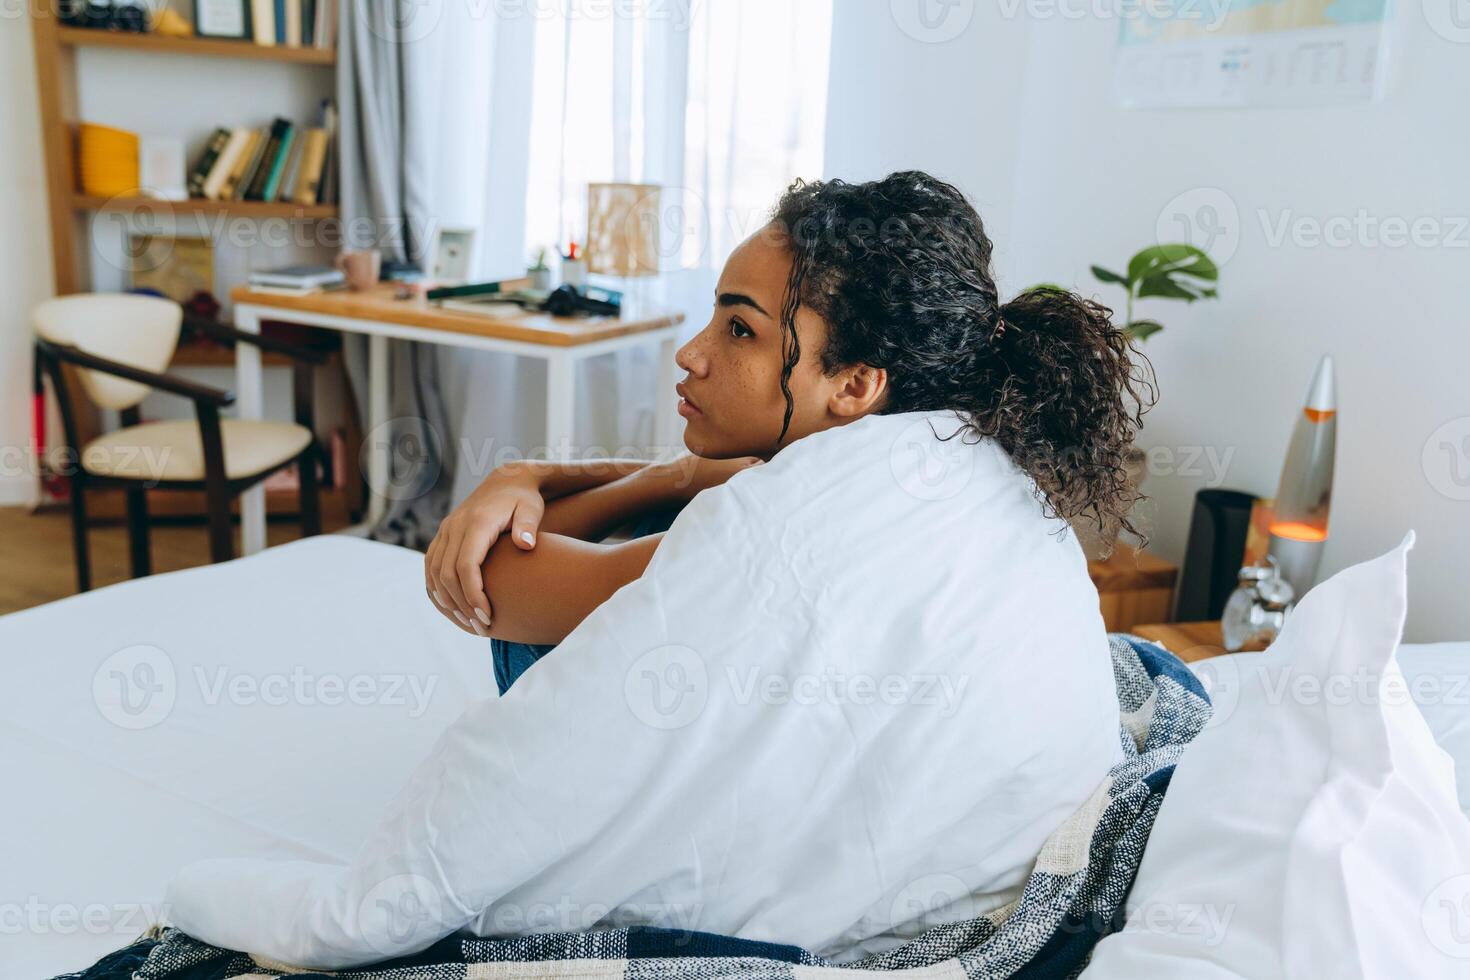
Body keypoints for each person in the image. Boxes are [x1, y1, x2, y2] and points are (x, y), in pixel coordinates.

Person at [424, 170, 1152, 672]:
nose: (690, 353)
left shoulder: (782, 529)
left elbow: (485, 578)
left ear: (855, 383)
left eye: (739, 330)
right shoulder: (921, 458)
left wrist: (543, 477)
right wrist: (540, 474)